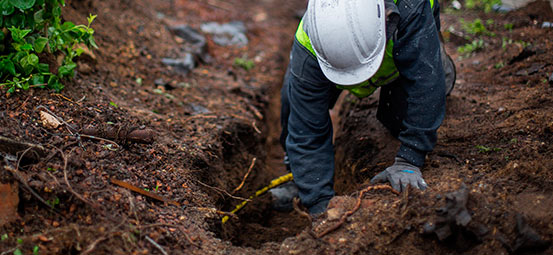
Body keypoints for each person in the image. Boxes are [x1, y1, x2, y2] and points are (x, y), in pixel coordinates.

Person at [269, 0, 456, 215]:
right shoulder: (311, 41)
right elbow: (306, 131)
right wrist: (319, 205)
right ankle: (298, 176)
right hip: (331, 55)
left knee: (412, 104)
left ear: (389, 20)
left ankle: (442, 64)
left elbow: (425, 82)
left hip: (404, 36)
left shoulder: (411, 10)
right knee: (292, 102)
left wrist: (409, 159)